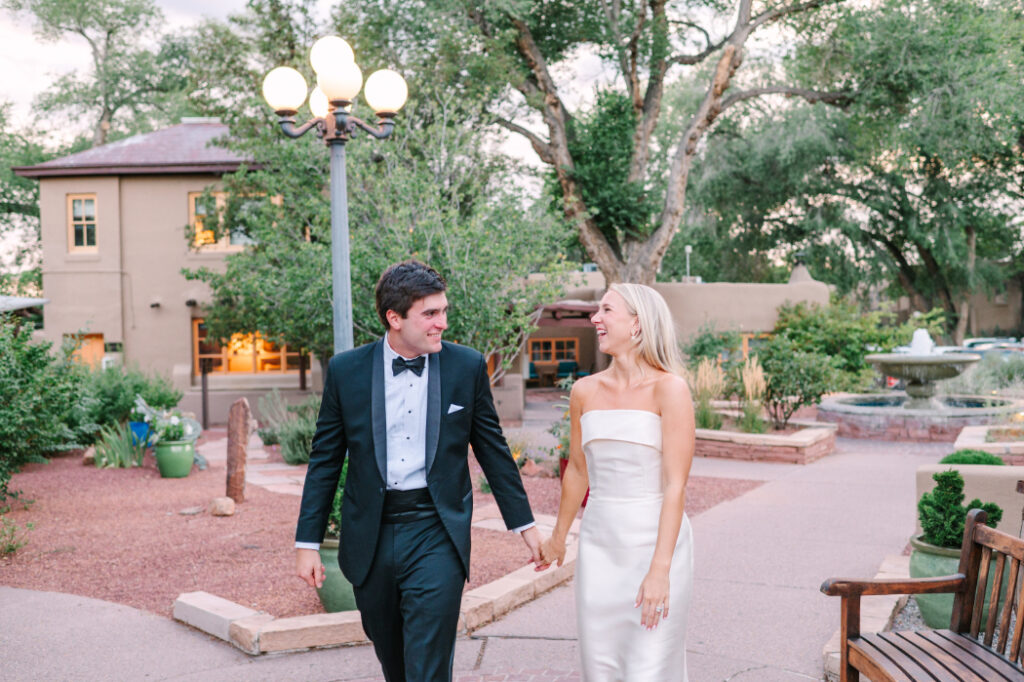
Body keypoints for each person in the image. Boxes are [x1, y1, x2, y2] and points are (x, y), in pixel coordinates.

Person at [294, 260, 544, 682]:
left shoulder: (466, 367)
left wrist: (526, 526)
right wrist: (307, 542)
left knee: (427, 665)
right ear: (394, 318)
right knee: (393, 658)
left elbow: (494, 452)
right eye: (430, 314)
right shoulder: (346, 371)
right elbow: (325, 461)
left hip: (436, 530)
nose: (442, 323)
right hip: (370, 534)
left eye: (444, 311)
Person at [540, 283, 696, 681]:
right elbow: (577, 470)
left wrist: (660, 570)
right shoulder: (583, 391)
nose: (596, 318)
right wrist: (559, 537)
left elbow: (676, 486)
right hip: (599, 545)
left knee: (649, 667)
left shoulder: (670, 389)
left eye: (606, 310)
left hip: (655, 543)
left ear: (638, 324)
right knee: (601, 666)